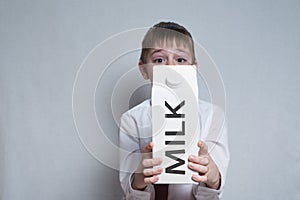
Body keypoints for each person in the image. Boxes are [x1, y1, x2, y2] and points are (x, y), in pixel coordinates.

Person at [119, 21, 229, 200]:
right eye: (159, 60)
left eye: (180, 59)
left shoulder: (212, 116)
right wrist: (139, 178)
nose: (171, 67)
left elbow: (214, 190)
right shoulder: (132, 120)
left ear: (193, 69)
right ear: (144, 69)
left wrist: (213, 176)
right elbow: (131, 191)